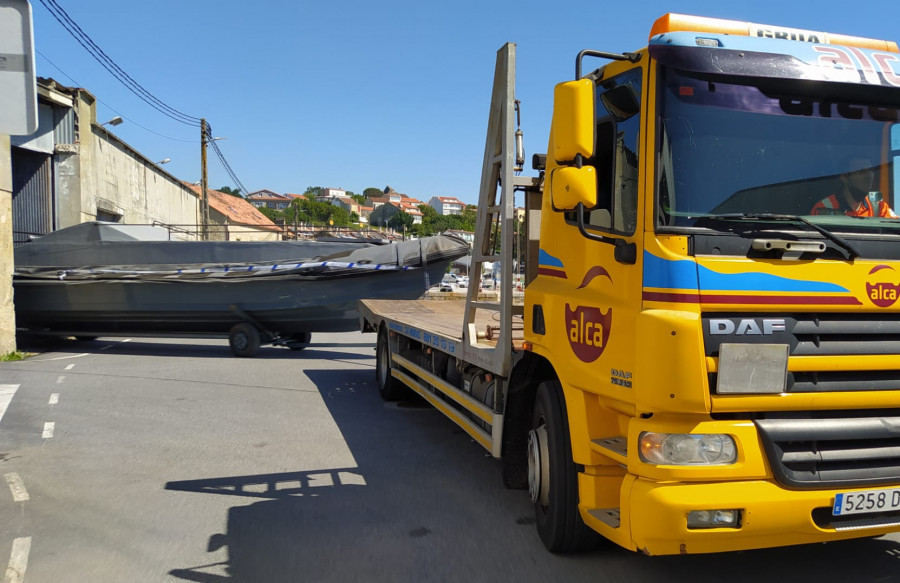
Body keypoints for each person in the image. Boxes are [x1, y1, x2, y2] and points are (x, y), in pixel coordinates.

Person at [810, 158, 898, 217]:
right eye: (861, 171)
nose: (868, 176)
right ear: (844, 177)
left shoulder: (880, 208)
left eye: (870, 170)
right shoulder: (823, 208)